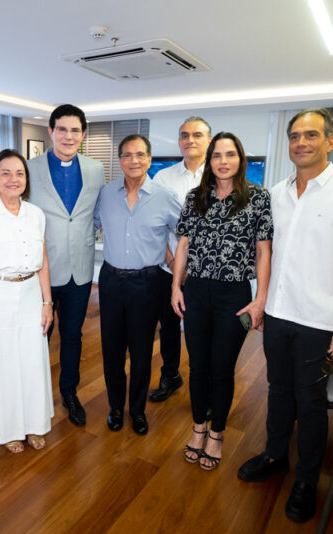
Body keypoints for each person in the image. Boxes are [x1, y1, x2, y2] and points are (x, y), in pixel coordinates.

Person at [237, 108, 333, 522]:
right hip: (279, 315)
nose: (301, 142)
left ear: (330, 142)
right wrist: (262, 302)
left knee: (311, 402)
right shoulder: (276, 194)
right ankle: (275, 456)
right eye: (295, 136)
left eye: (311, 135)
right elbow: (268, 254)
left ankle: (306, 480)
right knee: (278, 391)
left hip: (321, 322)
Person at [171, 132, 272, 470]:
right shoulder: (194, 197)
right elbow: (183, 246)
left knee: (222, 368)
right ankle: (198, 428)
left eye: (230, 155)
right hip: (196, 290)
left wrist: (260, 299)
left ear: (240, 160)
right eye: (217, 155)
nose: (223, 161)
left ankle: (217, 433)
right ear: (210, 160)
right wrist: (175, 288)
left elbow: (263, 251)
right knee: (197, 365)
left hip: (235, 295)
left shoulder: (257, 198)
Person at [0, 149, 54, 453]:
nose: (13, 179)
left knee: (31, 362)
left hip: (30, 294)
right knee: (2, 366)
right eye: (5, 173)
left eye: (19, 173)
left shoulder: (36, 214)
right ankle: (9, 430)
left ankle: (33, 425)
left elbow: (42, 259)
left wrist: (48, 303)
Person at [94, 134, 181, 435]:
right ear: (119, 160)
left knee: (142, 352)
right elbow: (92, 225)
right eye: (128, 155)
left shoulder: (164, 196)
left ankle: (138, 410)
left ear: (149, 159)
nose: (134, 161)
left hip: (148, 283)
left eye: (140, 155)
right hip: (110, 281)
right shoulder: (106, 193)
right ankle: (116, 408)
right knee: (112, 350)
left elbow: (184, 234)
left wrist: (173, 264)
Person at [27, 104, 105, 427]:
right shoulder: (29, 169)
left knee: (72, 335)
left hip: (80, 270)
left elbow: (97, 214)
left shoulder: (96, 169)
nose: (68, 136)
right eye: (62, 129)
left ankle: (69, 393)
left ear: (83, 135)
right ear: (51, 132)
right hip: (40, 270)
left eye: (75, 130)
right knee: (38, 336)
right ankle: (33, 398)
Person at [149, 116, 212, 403]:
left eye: (197, 135)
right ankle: (170, 375)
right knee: (169, 326)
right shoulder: (163, 178)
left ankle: (204, 387)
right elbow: (154, 225)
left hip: (206, 273)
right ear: (179, 142)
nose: (190, 140)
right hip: (168, 266)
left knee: (202, 331)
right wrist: (173, 261)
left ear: (208, 140)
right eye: (185, 135)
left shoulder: (220, 176)